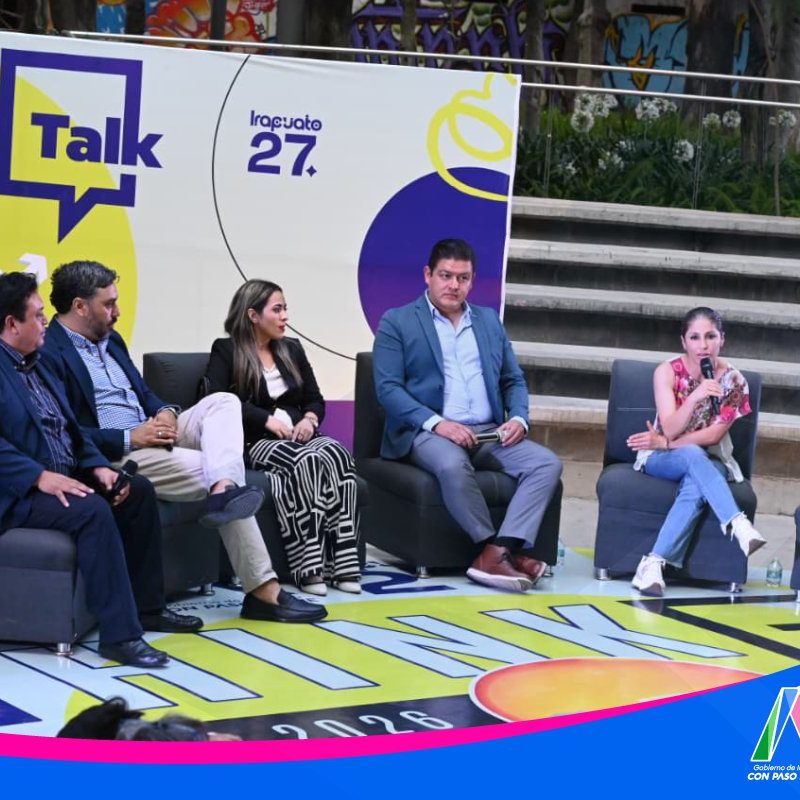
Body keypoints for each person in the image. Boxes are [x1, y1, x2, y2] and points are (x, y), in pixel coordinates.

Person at [41, 261, 325, 624]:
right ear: (80, 306)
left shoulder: (112, 341)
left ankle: (223, 488)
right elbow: (65, 432)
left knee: (224, 402)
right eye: (108, 304)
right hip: (115, 454)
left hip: (153, 434)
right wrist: (130, 437)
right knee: (223, 478)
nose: (118, 311)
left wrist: (166, 413)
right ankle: (263, 591)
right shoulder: (49, 351)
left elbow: (144, 394)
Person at [0, 272, 202, 669]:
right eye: (37, 315)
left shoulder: (37, 364)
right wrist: (37, 476)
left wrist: (96, 468)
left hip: (61, 476)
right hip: (17, 491)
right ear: (11, 324)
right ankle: (120, 636)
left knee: (136, 490)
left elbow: (72, 431)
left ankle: (147, 608)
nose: (45, 322)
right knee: (92, 511)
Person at [373, 238, 562, 593]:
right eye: (445, 275)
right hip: (428, 431)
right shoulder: (397, 321)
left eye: (463, 278)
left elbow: (512, 379)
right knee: (451, 465)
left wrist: (518, 418)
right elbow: (388, 390)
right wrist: (440, 424)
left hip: (490, 432)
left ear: (472, 280)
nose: (454, 285)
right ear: (428, 275)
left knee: (546, 464)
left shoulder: (488, 321)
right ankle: (494, 550)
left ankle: (500, 549)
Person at [204, 280, 362, 596]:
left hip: (298, 436)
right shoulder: (227, 350)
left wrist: (309, 419)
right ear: (253, 315)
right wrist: (266, 419)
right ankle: (309, 568)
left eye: (285, 308)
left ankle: (343, 564)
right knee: (309, 460)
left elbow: (315, 398)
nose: (285, 316)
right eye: (277, 310)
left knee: (338, 454)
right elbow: (218, 400)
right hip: (256, 441)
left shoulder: (292, 349)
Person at [626, 306, 766, 596]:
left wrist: (667, 442)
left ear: (722, 339)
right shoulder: (666, 372)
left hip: (710, 457)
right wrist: (694, 397)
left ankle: (652, 564)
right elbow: (670, 428)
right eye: (695, 337)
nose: (703, 345)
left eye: (710, 336)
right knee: (692, 455)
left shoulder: (734, 381)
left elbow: (714, 435)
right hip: (660, 457)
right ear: (684, 341)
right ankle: (737, 522)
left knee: (695, 482)